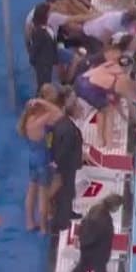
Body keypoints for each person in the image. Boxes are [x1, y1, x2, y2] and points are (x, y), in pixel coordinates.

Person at [56, 194, 123, 272]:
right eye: (118, 206)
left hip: (89, 249)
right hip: (96, 252)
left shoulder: (97, 208)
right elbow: (99, 237)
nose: (118, 209)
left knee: (81, 270)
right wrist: (100, 252)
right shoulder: (102, 218)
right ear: (113, 205)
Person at [18, 97, 64, 232]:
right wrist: (43, 101)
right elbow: (58, 113)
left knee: (31, 189)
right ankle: (43, 228)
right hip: (41, 159)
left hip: (32, 157)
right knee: (42, 194)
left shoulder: (27, 121)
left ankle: (29, 222)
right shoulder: (39, 122)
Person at [49, 86, 84, 233]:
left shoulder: (64, 123)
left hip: (67, 164)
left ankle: (68, 213)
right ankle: (61, 223)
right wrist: (58, 165)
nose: (81, 112)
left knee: (68, 191)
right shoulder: (68, 128)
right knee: (64, 192)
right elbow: (63, 150)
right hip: (66, 166)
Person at [28, 3, 60, 92]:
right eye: (49, 12)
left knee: (47, 84)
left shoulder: (48, 27)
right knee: (43, 87)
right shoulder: (38, 32)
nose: (51, 14)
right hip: (43, 64)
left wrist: (55, 59)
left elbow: (53, 43)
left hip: (48, 62)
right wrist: (36, 63)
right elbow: (34, 49)